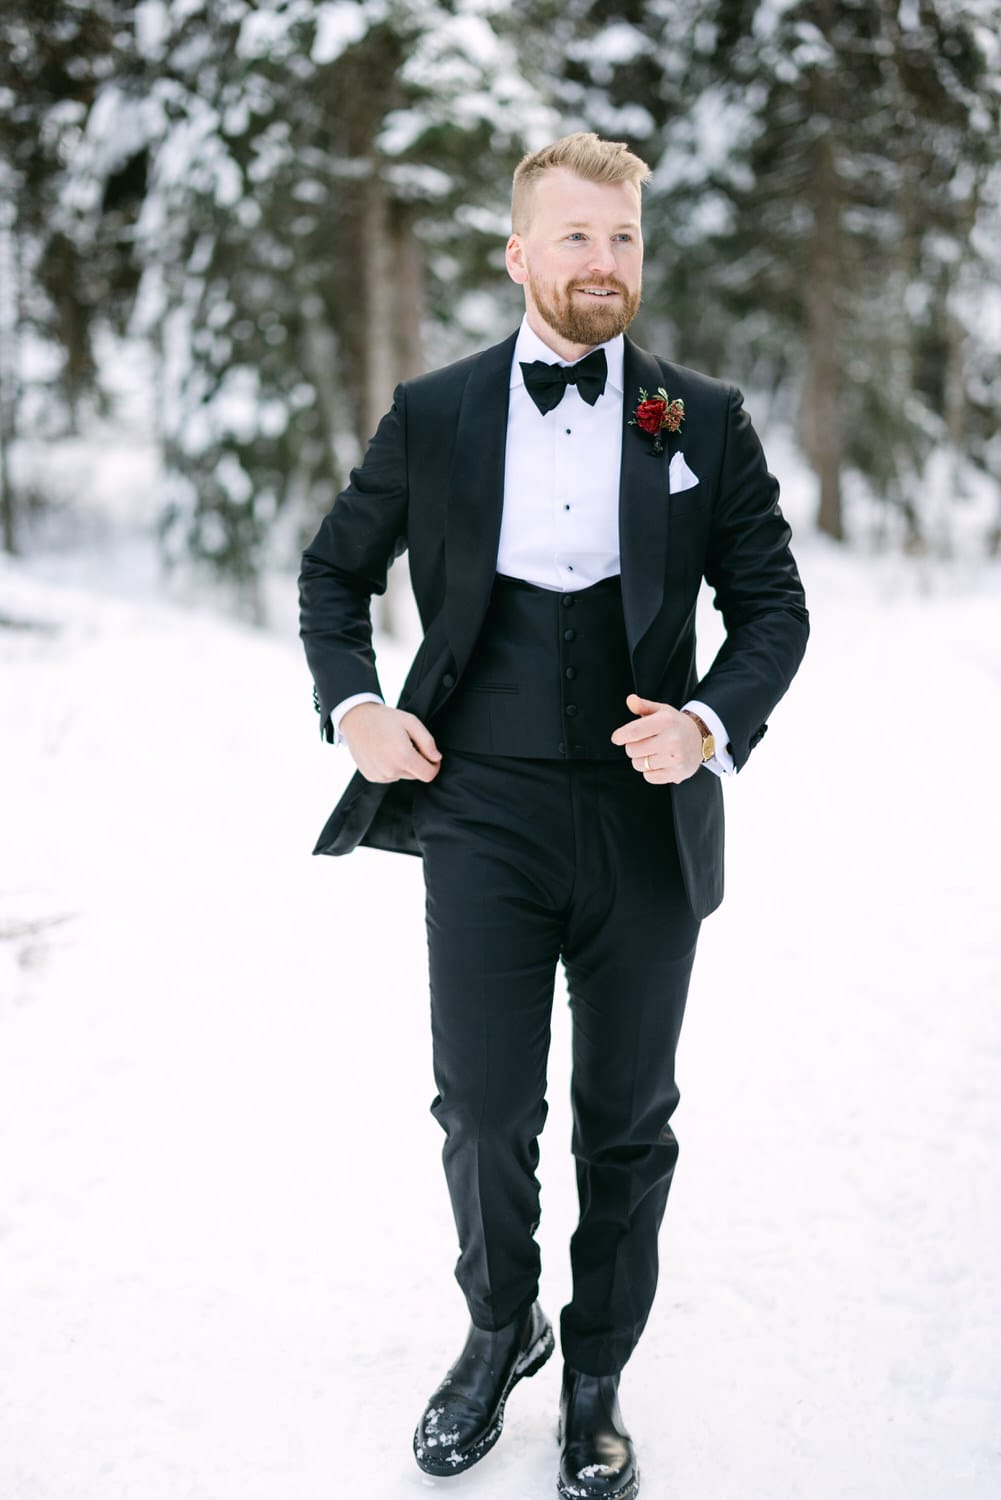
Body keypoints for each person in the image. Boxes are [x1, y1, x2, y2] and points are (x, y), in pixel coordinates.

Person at [298, 131, 808, 1500]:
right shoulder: (439, 411)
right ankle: (493, 1325)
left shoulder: (700, 420)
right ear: (518, 254)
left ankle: (595, 1375)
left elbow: (771, 609)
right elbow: (333, 575)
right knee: (479, 1104)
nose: (602, 263)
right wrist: (351, 707)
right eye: (575, 237)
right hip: (478, 811)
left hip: (647, 823)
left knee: (626, 1117)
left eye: (623, 239)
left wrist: (705, 725)